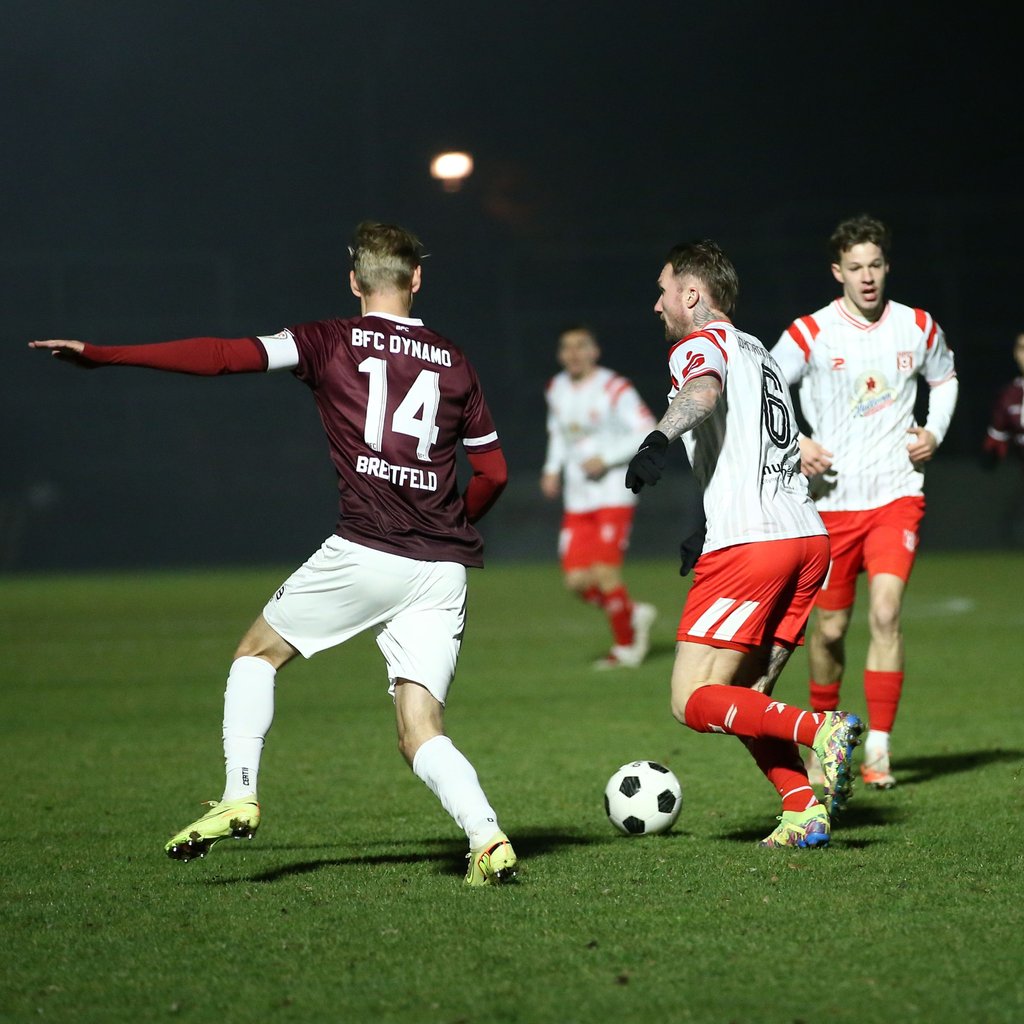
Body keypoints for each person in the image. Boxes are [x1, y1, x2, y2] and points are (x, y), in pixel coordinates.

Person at [30, 220, 518, 886]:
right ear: (417, 278)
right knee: (420, 728)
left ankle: (239, 793)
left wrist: (105, 354)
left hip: (367, 549)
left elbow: (222, 355)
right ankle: (487, 839)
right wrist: (449, 524)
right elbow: (494, 473)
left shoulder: (329, 340)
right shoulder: (455, 360)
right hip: (440, 568)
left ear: (354, 282)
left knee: (256, 653)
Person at [625, 239, 863, 849]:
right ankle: (802, 810)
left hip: (753, 546)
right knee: (748, 697)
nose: (657, 304)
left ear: (692, 294)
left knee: (691, 699)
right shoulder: (759, 351)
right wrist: (707, 524)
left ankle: (820, 729)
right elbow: (757, 446)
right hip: (806, 539)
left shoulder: (699, 343)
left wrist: (656, 440)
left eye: (662, 290)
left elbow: (701, 392)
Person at [771, 215, 958, 790]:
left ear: (886, 266)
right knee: (829, 631)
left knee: (885, 613)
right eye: (856, 267)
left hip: (896, 496)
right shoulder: (811, 332)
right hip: (831, 505)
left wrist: (934, 431)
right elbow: (766, 389)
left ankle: (878, 748)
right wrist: (796, 442)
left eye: (875, 264)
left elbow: (945, 379)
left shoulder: (917, 326)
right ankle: (827, 739)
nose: (867, 276)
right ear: (838, 272)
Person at [540, 324, 658, 669]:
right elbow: (557, 433)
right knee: (576, 581)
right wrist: (551, 469)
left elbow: (647, 428)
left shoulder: (614, 387)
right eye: (566, 347)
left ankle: (626, 647)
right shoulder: (556, 388)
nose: (573, 353)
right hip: (578, 499)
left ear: (594, 351)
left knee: (605, 574)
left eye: (581, 346)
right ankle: (633, 613)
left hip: (613, 494)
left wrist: (606, 458)